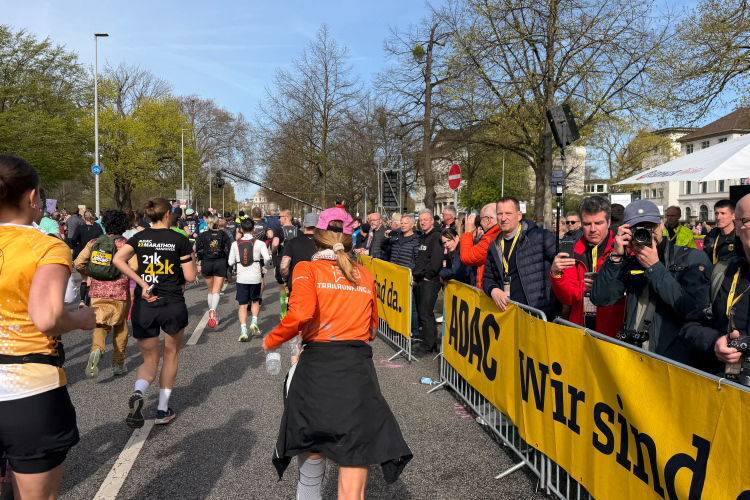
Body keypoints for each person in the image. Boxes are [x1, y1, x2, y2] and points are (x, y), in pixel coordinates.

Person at [262, 207, 412, 499]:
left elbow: (300, 314)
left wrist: (272, 340)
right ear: (349, 238)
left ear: (317, 237)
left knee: (310, 469)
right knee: (353, 474)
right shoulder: (364, 274)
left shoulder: (306, 269)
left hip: (317, 371)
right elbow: (372, 329)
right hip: (356, 373)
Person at [0, 155, 96, 499]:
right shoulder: (46, 245)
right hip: (27, 389)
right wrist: (82, 320)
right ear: (31, 197)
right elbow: (46, 318)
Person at [590, 200, 712, 364]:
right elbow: (600, 298)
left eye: (651, 227)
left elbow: (694, 310)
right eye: (638, 228)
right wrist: (615, 257)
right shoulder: (630, 263)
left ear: (661, 225)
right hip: (635, 358)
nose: (647, 233)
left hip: (673, 362)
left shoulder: (692, 258)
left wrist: (654, 267)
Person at [113, 198, 196, 427]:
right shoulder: (180, 239)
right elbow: (190, 276)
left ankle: (139, 392)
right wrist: (191, 258)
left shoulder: (140, 237)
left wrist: (142, 283)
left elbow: (118, 259)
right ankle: (162, 410)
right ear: (168, 214)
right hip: (172, 303)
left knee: (149, 359)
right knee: (171, 354)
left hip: (145, 304)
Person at [679, 194, 750, 378]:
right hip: (726, 383)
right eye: (749, 220)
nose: (718, 217)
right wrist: (714, 342)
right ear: (738, 227)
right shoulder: (717, 274)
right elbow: (690, 327)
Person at [74, 210, 137, 378]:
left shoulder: (94, 243)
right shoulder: (125, 245)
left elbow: (78, 262)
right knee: (120, 327)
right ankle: (118, 364)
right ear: (124, 226)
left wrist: (89, 274)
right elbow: (135, 267)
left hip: (97, 291)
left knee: (100, 325)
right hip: (120, 292)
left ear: (104, 224)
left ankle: (97, 349)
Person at [550, 197, 625, 336]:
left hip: (612, 331)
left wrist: (602, 287)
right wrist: (557, 275)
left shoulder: (622, 250)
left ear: (608, 223)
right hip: (581, 328)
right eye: (587, 224)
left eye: (598, 223)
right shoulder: (574, 251)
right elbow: (569, 298)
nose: (593, 229)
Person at [482, 197, 557, 319]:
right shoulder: (494, 246)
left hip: (538, 316)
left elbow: (565, 269)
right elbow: (487, 278)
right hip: (508, 316)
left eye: (508, 213)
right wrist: (493, 290)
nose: (503, 218)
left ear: (519, 215)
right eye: (500, 214)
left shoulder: (541, 237)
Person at [228, 218, 271, 342]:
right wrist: (264, 267)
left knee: (242, 305)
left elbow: (230, 262)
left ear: (241, 230)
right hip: (255, 276)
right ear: (254, 229)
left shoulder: (235, 244)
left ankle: (243, 331)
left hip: (242, 277)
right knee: (255, 301)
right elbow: (267, 258)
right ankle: (254, 322)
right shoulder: (260, 243)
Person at [413, 209, 444, 354]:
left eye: (425, 220)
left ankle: (428, 345)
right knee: (423, 313)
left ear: (432, 221)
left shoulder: (436, 237)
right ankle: (427, 341)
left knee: (426, 313)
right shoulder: (422, 237)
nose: (422, 222)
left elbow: (436, 260)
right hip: (421, 279)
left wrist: (428, 276)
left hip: (430, 280)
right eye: (420, 220)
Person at [386, 214, 421, 338]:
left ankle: (415, 332)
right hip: (395, 276)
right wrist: (386, 238)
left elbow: (417, 260)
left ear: (412, 225)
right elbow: (386, 249)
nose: (403, 225)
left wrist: (414, 278)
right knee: (397, 304)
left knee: (411, 306)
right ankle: (398, 329)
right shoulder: (397, 238)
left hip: (407, 277)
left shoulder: (416, 240)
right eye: (401, 223)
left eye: (406, 223)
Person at [195, 215, 232, 328]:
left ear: (207, 223)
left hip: (206, 262)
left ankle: (212, 312)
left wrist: (197, 262)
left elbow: (195, 249)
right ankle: (213, 311)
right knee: (217, 290)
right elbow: (229, 249)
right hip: (220, 262)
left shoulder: (202, 235)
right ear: (217, 223)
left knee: (210, 290)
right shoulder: (223, 234)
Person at [461, 204, 501, 287]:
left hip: (490, 290)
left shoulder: (490, 239)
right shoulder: (500, 234)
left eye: (481, 219)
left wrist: (468, 232)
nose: (480, 223)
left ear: (488, 220)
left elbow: (466, 257)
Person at [271, 210, 300, 319]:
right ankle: (294, 312)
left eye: (280, 217)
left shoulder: (278, 230)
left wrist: (272, 251)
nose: (278, 219)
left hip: (281, 261)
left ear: (286, 217)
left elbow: (275, 243)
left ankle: (284, 313)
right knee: (294, 288)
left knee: (282, 288)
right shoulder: (298, 231)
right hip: (294, 262)